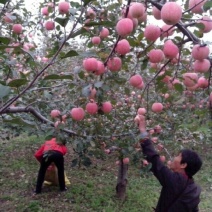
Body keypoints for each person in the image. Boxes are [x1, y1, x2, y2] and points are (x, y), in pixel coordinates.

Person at [136, 115, 203, 212]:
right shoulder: (194, 188)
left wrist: (142, 131)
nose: (174, 157)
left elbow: (154, 159)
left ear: (183, 165)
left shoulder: (173, 180)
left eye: (178, 156)